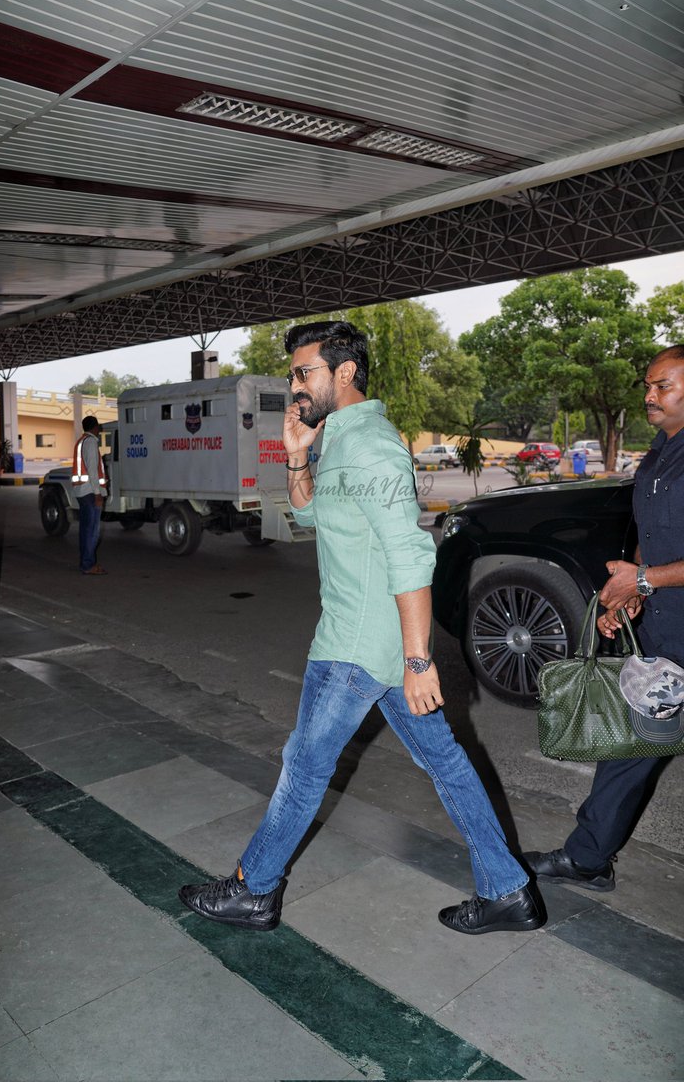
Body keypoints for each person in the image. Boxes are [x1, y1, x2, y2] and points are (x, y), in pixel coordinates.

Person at [179, 321, 545, 935]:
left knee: (303, 769)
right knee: (448, 764)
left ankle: (254, 888)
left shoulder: (370, 443)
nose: (295, 385)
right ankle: (508, 889)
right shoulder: (340, 440)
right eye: (294, 374)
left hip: (355, 648)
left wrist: (419, 659)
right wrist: (298, 457)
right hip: (374, 648)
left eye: (304, 372)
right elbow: (311, 511)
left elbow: (408, 553)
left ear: (344, 372)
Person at [527, 344, 684, 891]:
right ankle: (588, 859)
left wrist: (643, 581)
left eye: (662, 385)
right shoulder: (661, 452)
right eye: (648, 384)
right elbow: (653, 537)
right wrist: (632, 593)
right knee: (631, 747)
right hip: (666, 631)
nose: (649, 395)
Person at [72, 415, 107, 576]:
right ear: (95, 427)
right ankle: (88, 565)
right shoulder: (91, 442)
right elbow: (93, 470)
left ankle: (86, 562)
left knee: (86, 530)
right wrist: (98, 494)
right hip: (89, 492)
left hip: (82, 491)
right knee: (92, 531)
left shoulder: (82, 441)